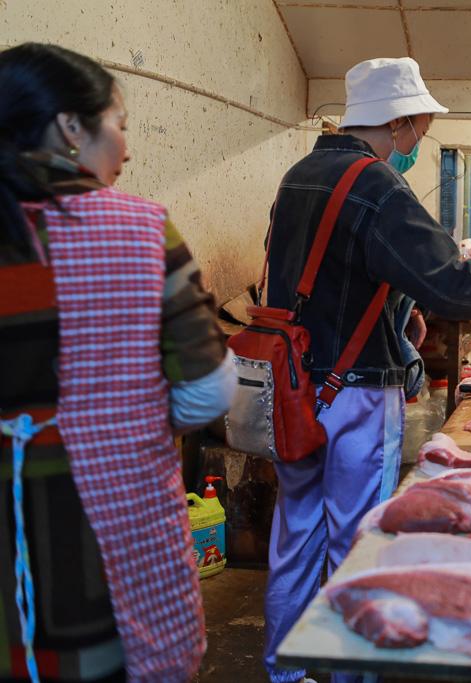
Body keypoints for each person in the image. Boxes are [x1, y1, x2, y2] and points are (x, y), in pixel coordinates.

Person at [262, 57, 471, 683]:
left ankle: (284, 672)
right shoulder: (378, 184)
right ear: (398, 121)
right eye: (419, 126)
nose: (418, 139)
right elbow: (451, 282)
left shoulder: (299, 176)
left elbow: (322, 273)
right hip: (355, 391)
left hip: (295, 384)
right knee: (359, 541)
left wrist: (395, 308)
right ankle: (352, 672)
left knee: (295, 535)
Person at [0, 43, 235, 682]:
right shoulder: (138, 228)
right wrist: (125, 421)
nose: (126, 149)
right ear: (70, 126)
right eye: (120, 124)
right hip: (111, 517)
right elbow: (209, 391)